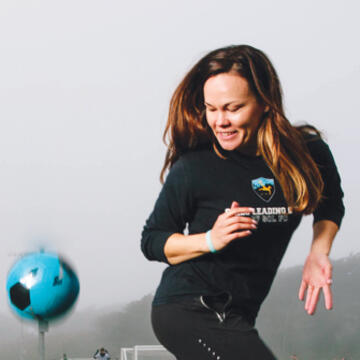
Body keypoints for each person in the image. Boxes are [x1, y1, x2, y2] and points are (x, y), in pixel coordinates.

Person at [141, 45, 344, 360]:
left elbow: (330, 204)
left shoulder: (308, 152)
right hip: (189, 307)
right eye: (211, 109)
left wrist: (319, 251)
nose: (219, 121)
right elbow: (152, 240)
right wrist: (210, 239)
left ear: (265, 103)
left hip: (239, 314)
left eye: (232, 108)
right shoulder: (195, 165)